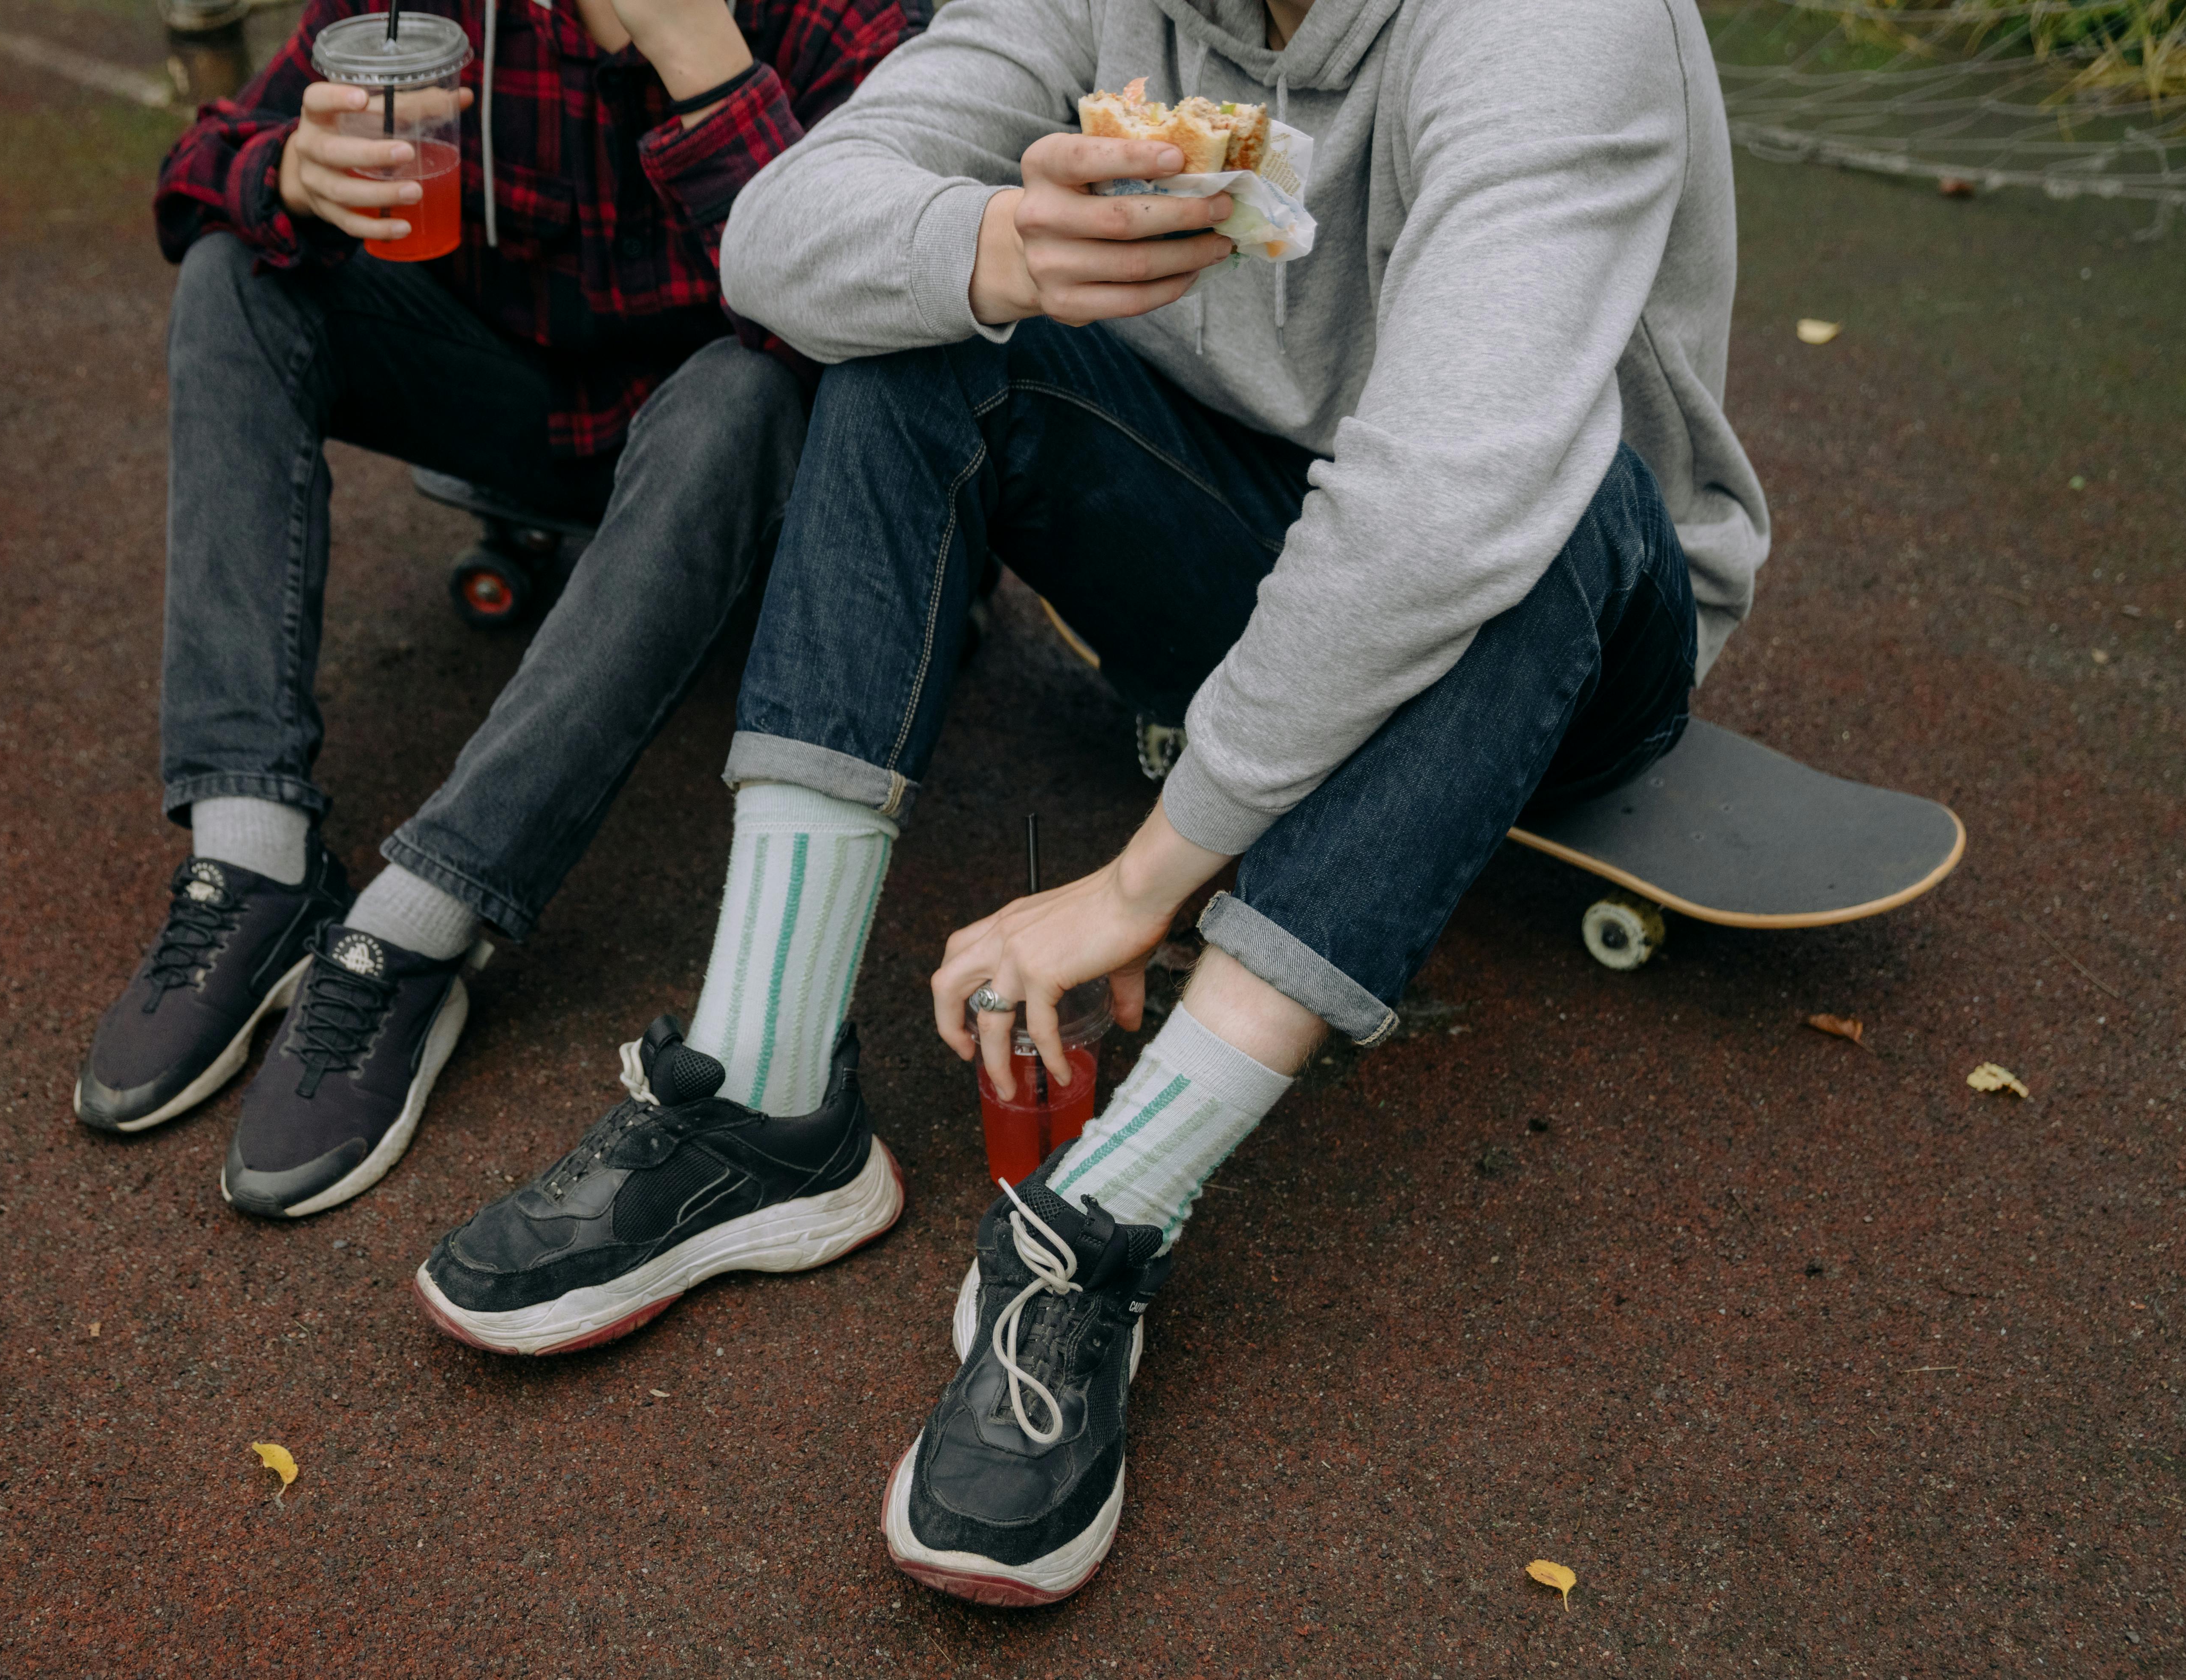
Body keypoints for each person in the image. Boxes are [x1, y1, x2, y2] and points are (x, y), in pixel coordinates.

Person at [412, 0, 1771, 1606]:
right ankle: (764, 1103)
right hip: (1244, 547)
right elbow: (778, 240)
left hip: (1566, 607)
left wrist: (1148, 880)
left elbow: (1443, 506)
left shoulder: (1557, 29)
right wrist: (994, 248)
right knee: (905, 346)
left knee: (1532, 502)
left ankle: (1103, 1218)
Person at [73, 0, 917, 1222]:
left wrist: (697, 61)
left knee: (745, 395)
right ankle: (250, 857)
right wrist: (287, 172)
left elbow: (870, 303)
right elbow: (200, 173)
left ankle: (420, 926)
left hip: (732, 430)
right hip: (501, 391)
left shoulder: (839, 14)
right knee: (236, 268)